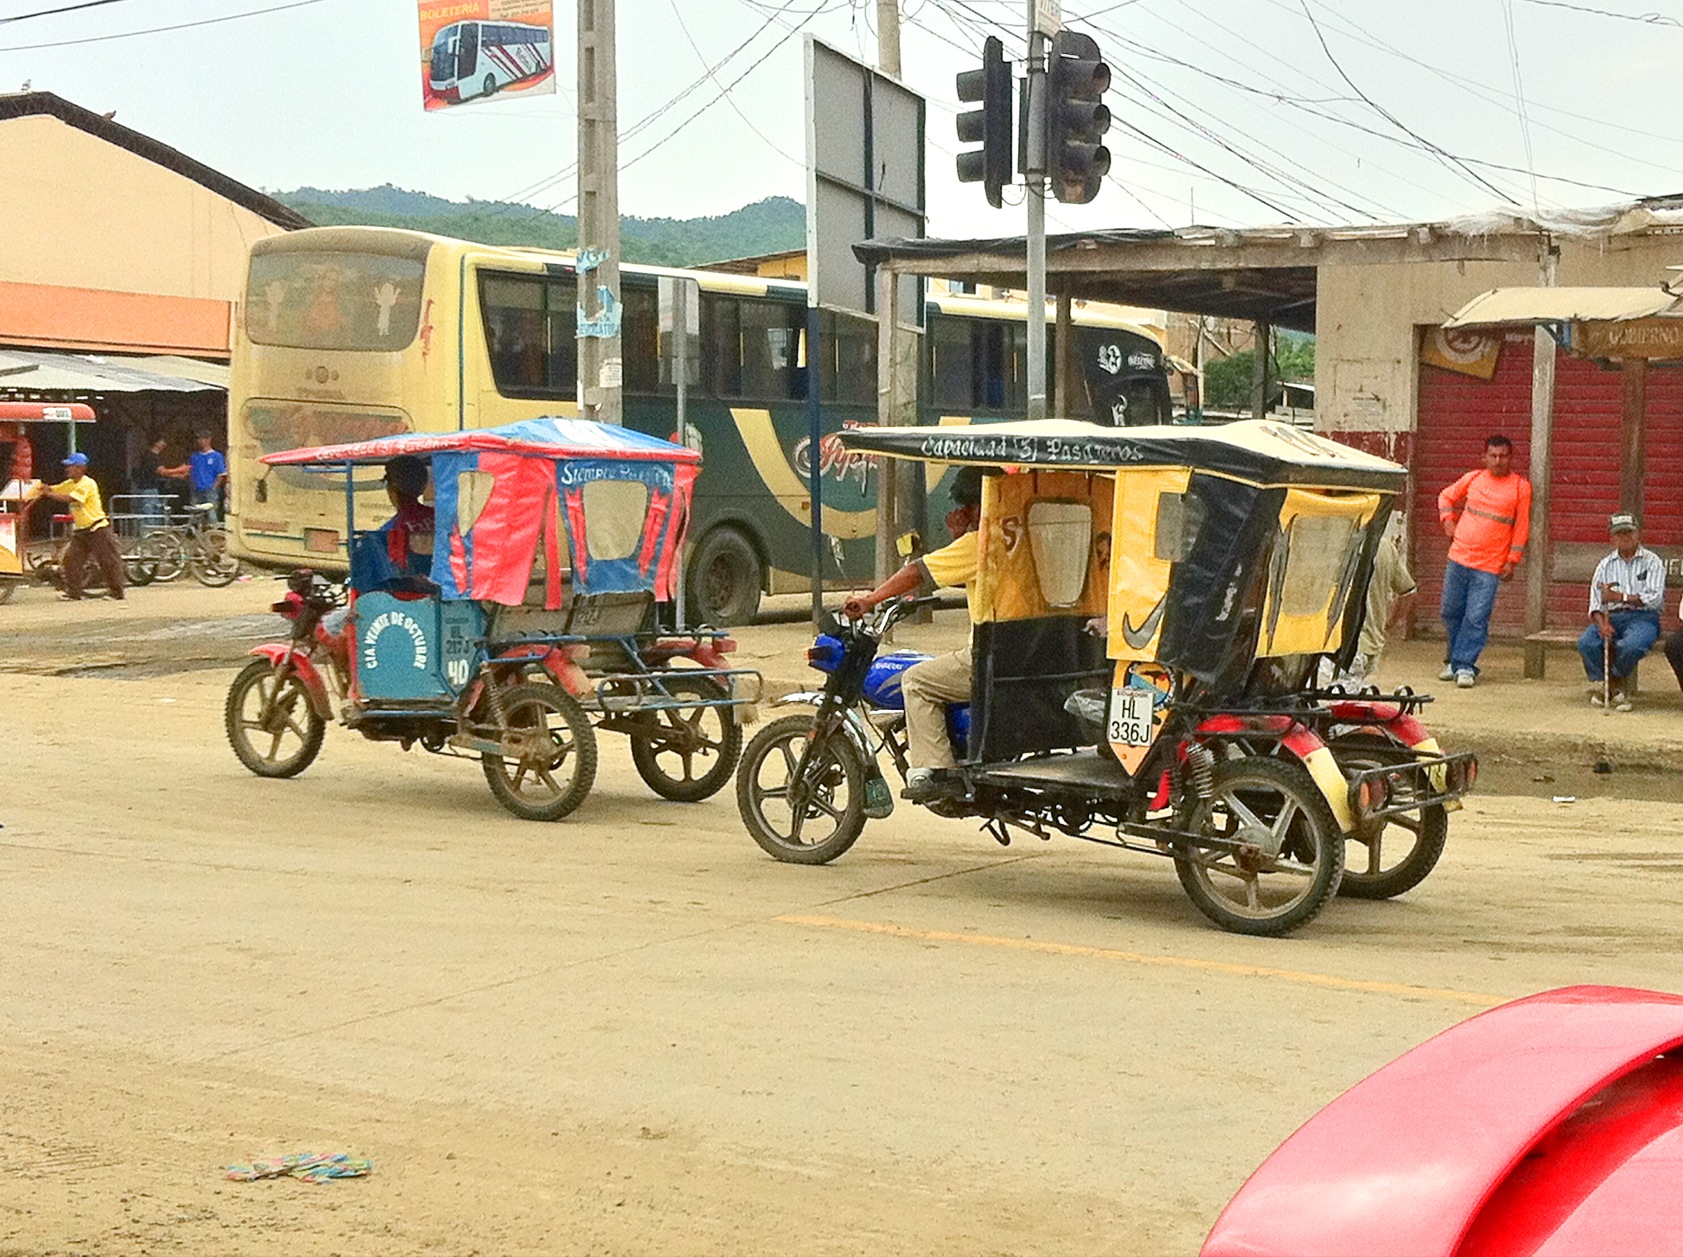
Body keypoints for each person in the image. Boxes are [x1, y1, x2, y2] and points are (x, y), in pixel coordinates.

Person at [842, 466, 985, 802]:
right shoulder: (1017, 537)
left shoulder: (980, 543)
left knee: (916, 681)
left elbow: (918, 571)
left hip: (989, 660)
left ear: (976, 506)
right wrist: (959, 536)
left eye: (967, 506)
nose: (963, 512)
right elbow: (963, 573)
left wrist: (869, 600)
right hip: (1027, 656)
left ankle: (935, 770)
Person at [1437, 434, 1532, 688]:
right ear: (1485, 457)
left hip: (1490, 565)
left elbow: (1521, 527)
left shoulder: (1520, 487)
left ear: (1511, 458)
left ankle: (1466, 665)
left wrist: (1512, 560)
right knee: (1450, 611)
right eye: (1494, 456)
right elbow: (1445, 497)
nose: (1498, 461)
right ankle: (1453, 661)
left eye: (1503, 456)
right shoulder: (1473, 479)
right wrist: (1448, 521)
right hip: (1458, 558)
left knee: (1476, 616)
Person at [1579, 513, 1664, 712]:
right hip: (1612, 617)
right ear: (1612, 538)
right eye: (1619, 534)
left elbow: (1654, 598)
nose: (1624, 537)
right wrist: (1602, 624)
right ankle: (1614, 688)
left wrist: (1621, 597)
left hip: (1643, 617)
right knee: (1587, 642)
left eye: (1629, 532)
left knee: (1632, 645)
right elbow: (1595, 603)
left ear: (1638, 534)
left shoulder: (1652, 562)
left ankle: (1612, 683)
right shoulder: (1605, 565)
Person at [33, 452, 125, 602]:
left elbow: (70, 498)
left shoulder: (87, 483)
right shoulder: (70, 483)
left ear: (80, 468)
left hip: (97, 528)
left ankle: (117, 592)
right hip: (82, 530)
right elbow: (55, 489)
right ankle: (73, 593)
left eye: (70, 467)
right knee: (71, 560)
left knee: (108, 561)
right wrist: (40, 488)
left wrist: (48, 494)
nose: (67, 469)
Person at [164, 432, 228, 522]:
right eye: (199, 439)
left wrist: (214, 487)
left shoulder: (216, 456)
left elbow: (221, 474)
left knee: (211, 513)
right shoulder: (194, 456)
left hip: (210, 489)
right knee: (195, 514)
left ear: (209, 440)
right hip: (196, 489)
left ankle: (214, 532)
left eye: (203, 439)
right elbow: (189, 471)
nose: (200, 441)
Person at [130, 435, 172, 529]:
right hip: (148, 488)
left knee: (155, 511)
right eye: (162, 441)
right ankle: (148, 532)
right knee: (149, 512)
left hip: (152, 488)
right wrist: (179, 469)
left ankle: (154, 531)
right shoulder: (151, 456)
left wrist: (177, 474)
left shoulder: (152, 456)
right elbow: (161, 471)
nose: (164, 444)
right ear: (156, 443)